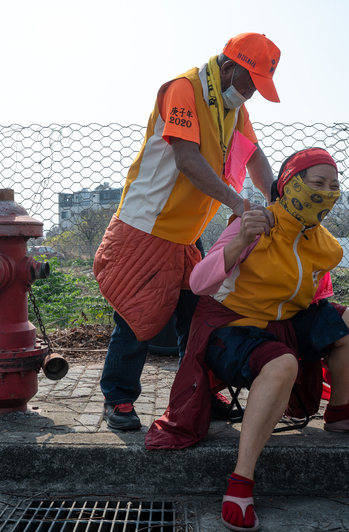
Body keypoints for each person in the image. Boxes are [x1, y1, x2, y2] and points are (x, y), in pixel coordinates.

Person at [145, 148, 349, 532]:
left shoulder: (322, 242)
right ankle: (240, 482)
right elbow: (198, 283)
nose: (327, 192)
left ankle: (340, 415)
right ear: (288, 185)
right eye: (317, 183)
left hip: (283, 326)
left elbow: (314, 297)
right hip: (230, 328)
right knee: (283, 362)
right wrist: (238, 241)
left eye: (334, 186)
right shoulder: (253, 224)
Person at [94, 33, 282, 431]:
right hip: (146, 226)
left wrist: (279, 199)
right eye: (249, 85)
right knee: (136, 315)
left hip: (184, 235)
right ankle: (119, 398)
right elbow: (186, 158)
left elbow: (254, 155)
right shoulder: (184, 89)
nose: (249, 96)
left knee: (196, 318)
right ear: (229, 67)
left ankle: (196, 391)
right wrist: (236, 202)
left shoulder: (233, 107)